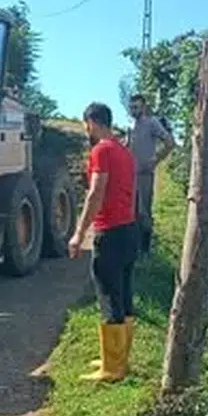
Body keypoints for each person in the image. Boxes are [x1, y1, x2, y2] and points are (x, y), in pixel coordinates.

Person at [68, 102, 139, 383]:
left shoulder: (101, 150)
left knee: (108, 295)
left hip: (109, 231)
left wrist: (78, 233)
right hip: (129, 229)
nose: (86, 129)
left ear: (92, 122)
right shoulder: (125, 152)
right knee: (125, 293)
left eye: (86, 124)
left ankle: (112, 369)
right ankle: (119, 359)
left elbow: (96, 193)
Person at [127, 94, 176, 253]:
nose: (134, 110)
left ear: (144, 107)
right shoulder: (131, 126)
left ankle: (146, 250)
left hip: (145, 175)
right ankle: (135, 248)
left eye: (137, 107)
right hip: (130, 176)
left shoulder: (152, 123)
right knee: (131, 212)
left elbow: (169, 143)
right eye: (132, 107)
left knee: (144, 212)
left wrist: (155, 160)